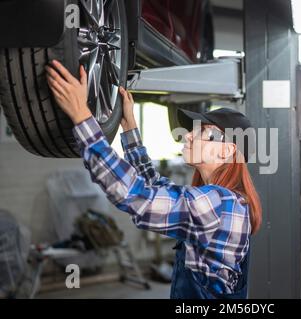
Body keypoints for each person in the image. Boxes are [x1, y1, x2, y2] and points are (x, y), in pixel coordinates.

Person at [45, 60, 262, 299]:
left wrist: (82, 117)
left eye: (203, 132)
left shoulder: (218, 203)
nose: (188, 135)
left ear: (227, 151)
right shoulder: (223, 200)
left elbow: (137, 196)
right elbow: (156, 186)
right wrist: (130, 130)